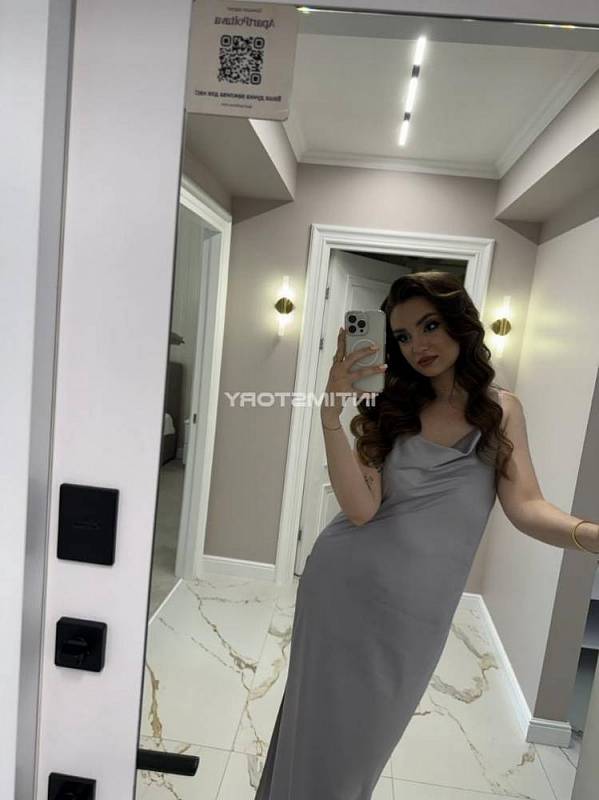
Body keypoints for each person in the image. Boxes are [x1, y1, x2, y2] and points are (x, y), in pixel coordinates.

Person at [254, 271, 599, 800]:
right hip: (342, 589)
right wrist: (330, 416)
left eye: (430, 325)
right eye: (403, 335)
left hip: (416, 613)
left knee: (362, 748)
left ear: (460, 323)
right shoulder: (389, 408)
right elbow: (361, 510)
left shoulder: (501, 409)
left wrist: (588, 535)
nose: (418, 345)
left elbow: (526, 506)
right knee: (318, 728)